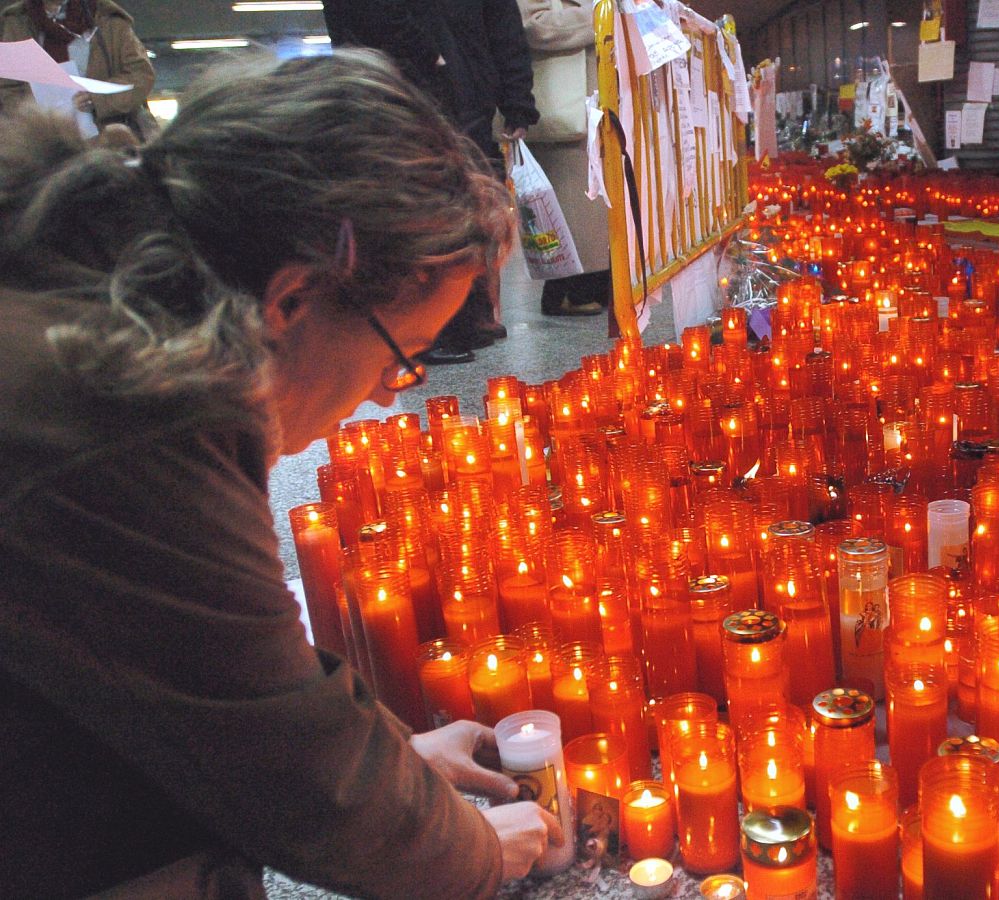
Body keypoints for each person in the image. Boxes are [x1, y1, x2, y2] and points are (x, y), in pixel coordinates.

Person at [0, 51, 561, 898]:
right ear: (291, 298)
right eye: (401, 358)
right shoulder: (121, 417)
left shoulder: (92, 297)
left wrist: (395, 759)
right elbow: (295, 771)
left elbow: (208, 671)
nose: (384, 395)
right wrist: (476, 854)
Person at [325, 0, 540, 364]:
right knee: (422, 209)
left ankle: (463, 315)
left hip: (462, 84)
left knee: (468, 205)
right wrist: (424, 52)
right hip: (401, 89)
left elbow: (502, 21)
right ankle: (425, 328)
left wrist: (517, 97)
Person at [518, 0, 611, 317]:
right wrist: (600, 17)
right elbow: (536, 25)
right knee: (572, 207)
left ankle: (598, 281)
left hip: (601, 100)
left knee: (597, 207)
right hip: (565, 103)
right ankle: (567, 290)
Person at [0, 0, 156, 136]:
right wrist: (38, 113)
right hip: (44, 146)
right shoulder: (16, 22)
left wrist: (96, 99)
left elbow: (141, 76)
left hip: (107, 143)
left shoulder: (108, 18)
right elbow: (9, 88)